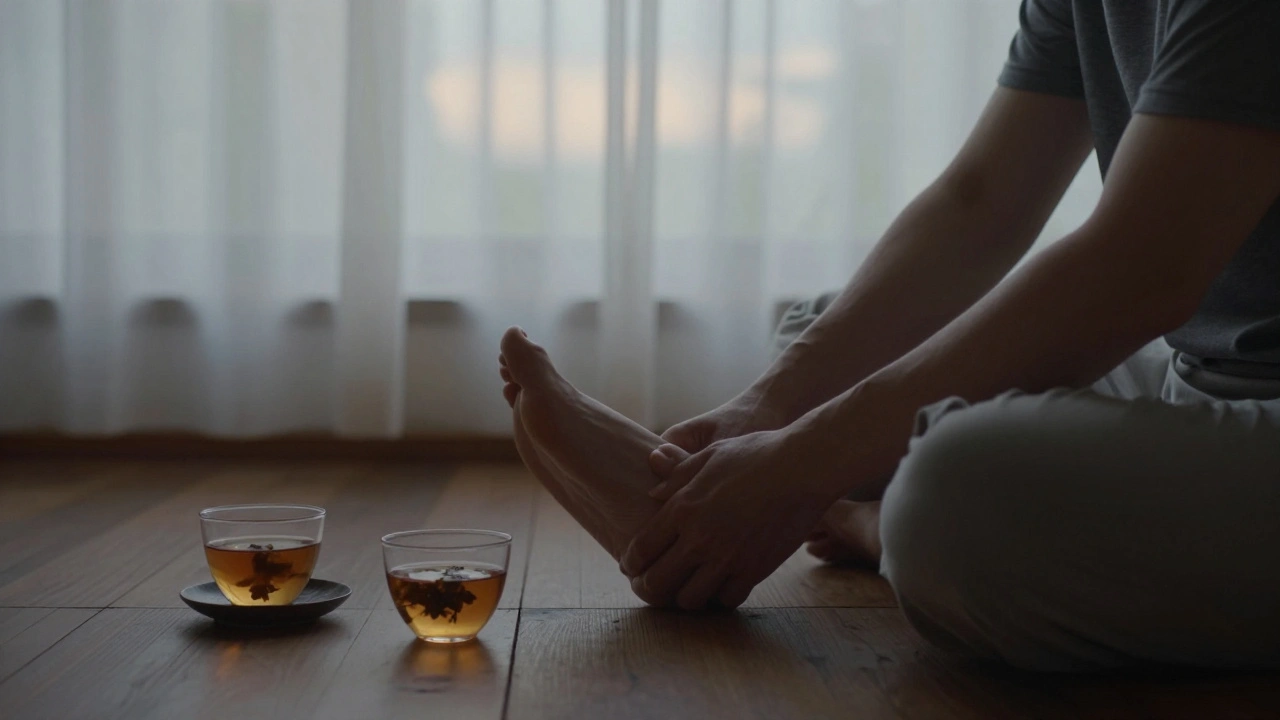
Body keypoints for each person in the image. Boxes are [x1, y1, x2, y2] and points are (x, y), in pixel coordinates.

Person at [498, 0, 1280, 671]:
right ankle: (698, 508)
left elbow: (1140, 271)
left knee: (959, 494)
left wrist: (802, 460)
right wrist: (762, 416)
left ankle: (869, 524)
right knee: (826, 330)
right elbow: (979, 203)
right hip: (1192, 374)